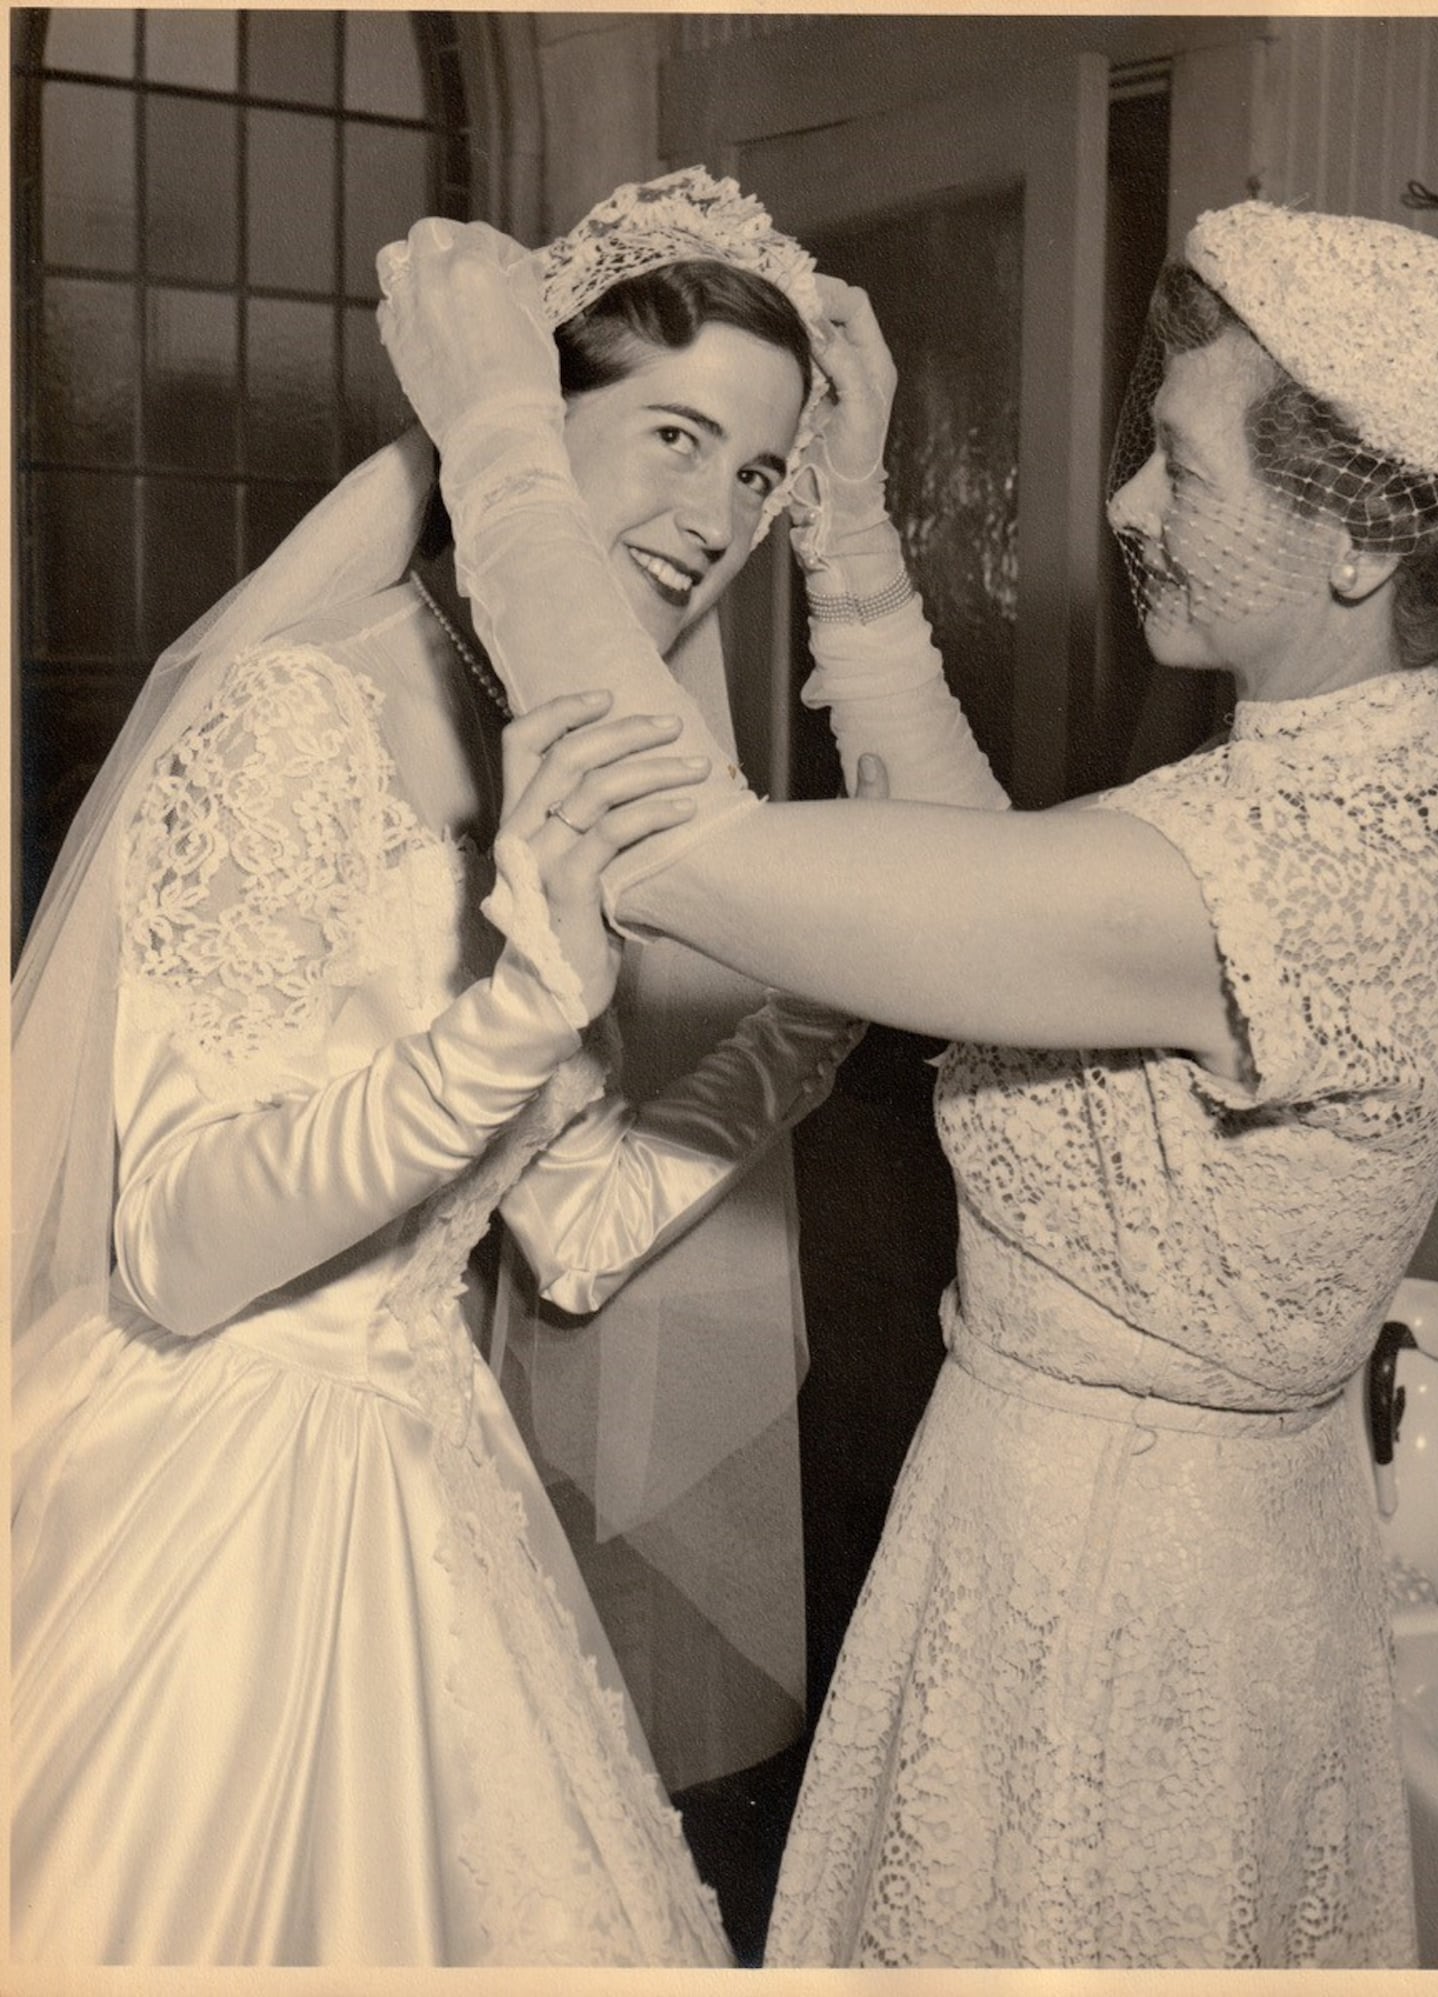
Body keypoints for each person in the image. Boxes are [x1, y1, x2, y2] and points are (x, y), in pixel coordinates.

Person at [374, 199, 1438, 1968]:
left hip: (1121, 1612)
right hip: (1133, 1548)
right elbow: (996, 903)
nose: (1126, 508)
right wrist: (849, 539)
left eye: (1179, 463)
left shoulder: (1315, 850)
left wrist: (496, 440)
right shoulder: (1348, 787)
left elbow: (673, 845)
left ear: (1347, 540)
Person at [9, 170, 895, 1965]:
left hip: (432, 1489)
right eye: (672, 432)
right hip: (214, 1518)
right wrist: (515, 1007)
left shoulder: (547, 739)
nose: (712, 514)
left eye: (756, 475)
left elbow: (561, 1229)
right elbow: (178, 1245)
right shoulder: (295, 712)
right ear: (516, 417)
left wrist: (800, 1029)